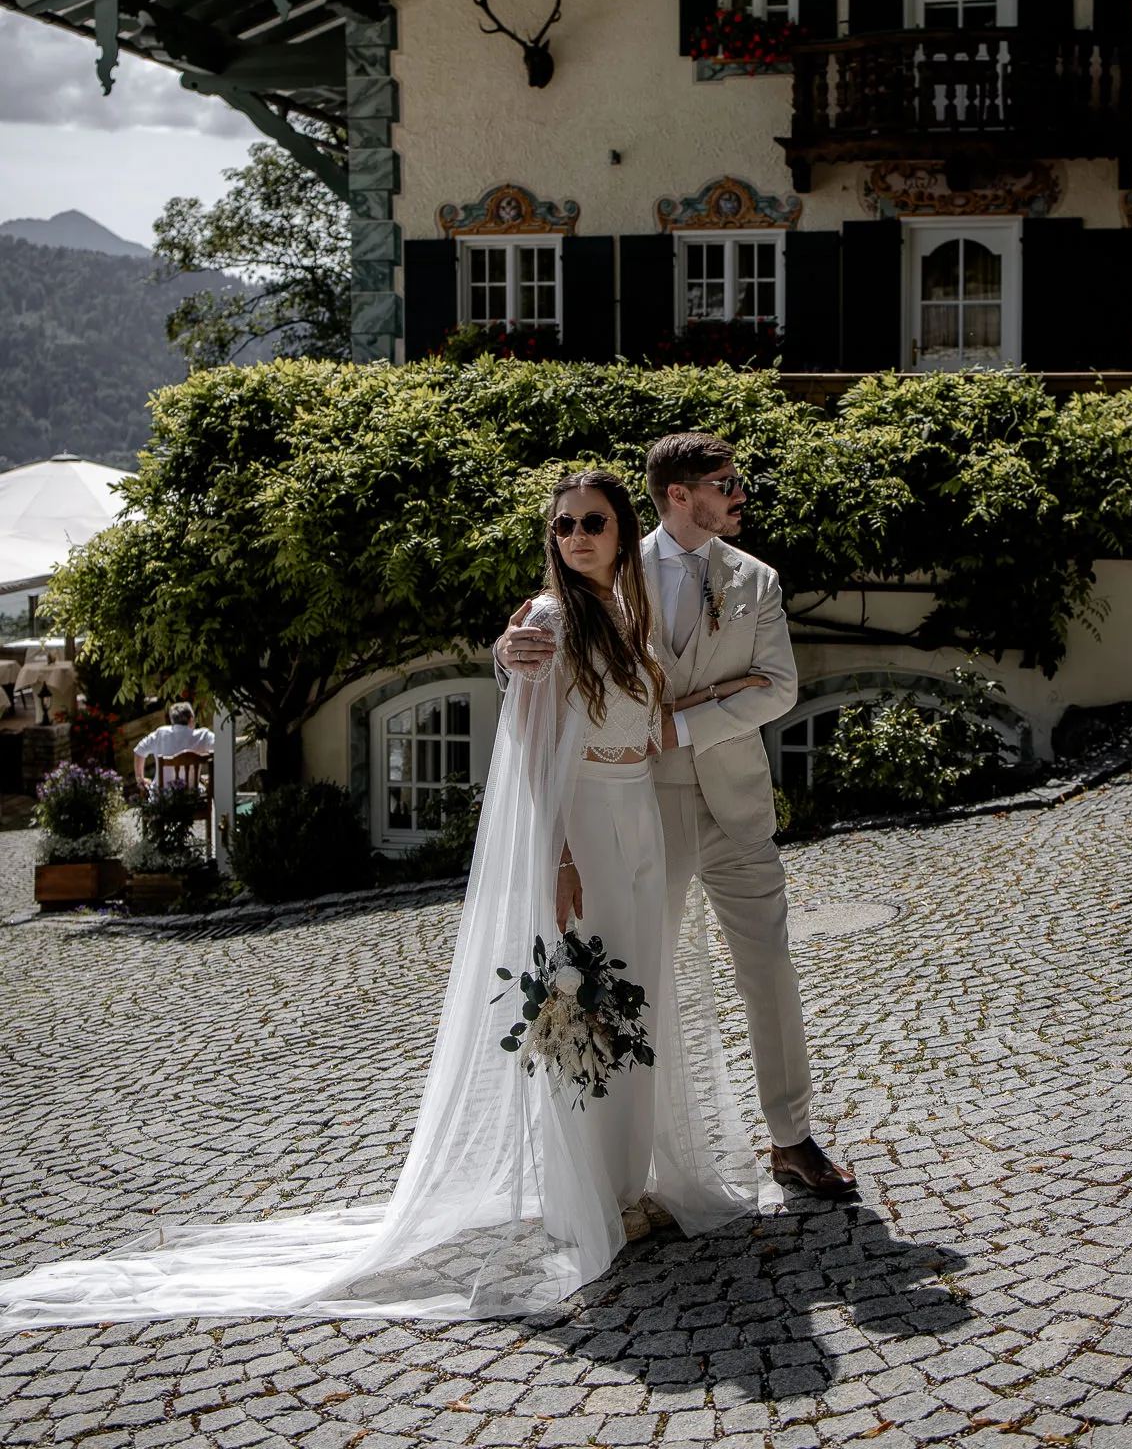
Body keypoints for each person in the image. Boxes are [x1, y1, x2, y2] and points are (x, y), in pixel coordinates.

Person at [0, 471, 763, 1332]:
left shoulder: (627, 616)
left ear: (623, 530)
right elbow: (530, 747)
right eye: (563, 525)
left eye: (592, 522)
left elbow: (644, 714)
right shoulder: (550, 620)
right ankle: (590, 1197)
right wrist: (553, 859)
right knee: (581, 1005)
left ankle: (633, 1182)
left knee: (637, 998)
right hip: (582, 823)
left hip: (638, 819)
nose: (577, 535)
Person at [498, 432, 860, 1201]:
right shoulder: (619, 571)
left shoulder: (754, 579)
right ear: (676, 496)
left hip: (734, 801)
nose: (738, 493)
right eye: (725, 482)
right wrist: (506, 650)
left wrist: (685, 721)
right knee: (635, 973)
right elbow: (550, 643)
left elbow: (778, 688)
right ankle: (626, 1167)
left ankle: (791, 1138)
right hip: (636, 804)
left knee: (768, 961)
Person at [133, 702, 215, 794]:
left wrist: (140, 779)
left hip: (162, 800)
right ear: (191, 719)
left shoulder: (160, 734)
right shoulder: (203, 735)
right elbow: (221, 746)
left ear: (172, 721)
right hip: (193, 797)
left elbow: (138, 751)